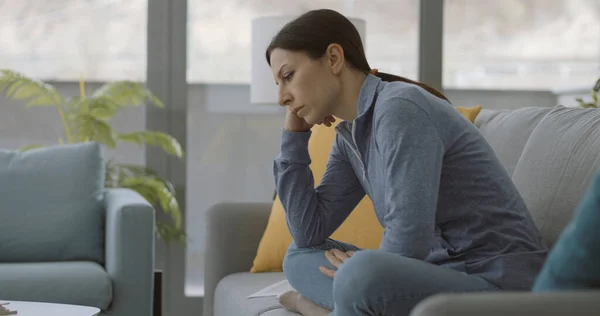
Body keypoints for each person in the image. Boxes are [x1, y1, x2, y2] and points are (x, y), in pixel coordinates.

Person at [268, 8, 548, 316]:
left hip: (495, 284)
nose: (282, 97)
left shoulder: (400, 108)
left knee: (362, 273)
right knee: (299, 255)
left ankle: (318, 308)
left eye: (288, 76)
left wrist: (362, 273)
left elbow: (408, 239)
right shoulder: (350, 136)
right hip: (433, 276)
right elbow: (309, 232)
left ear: (334, 58)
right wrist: (292, 138)